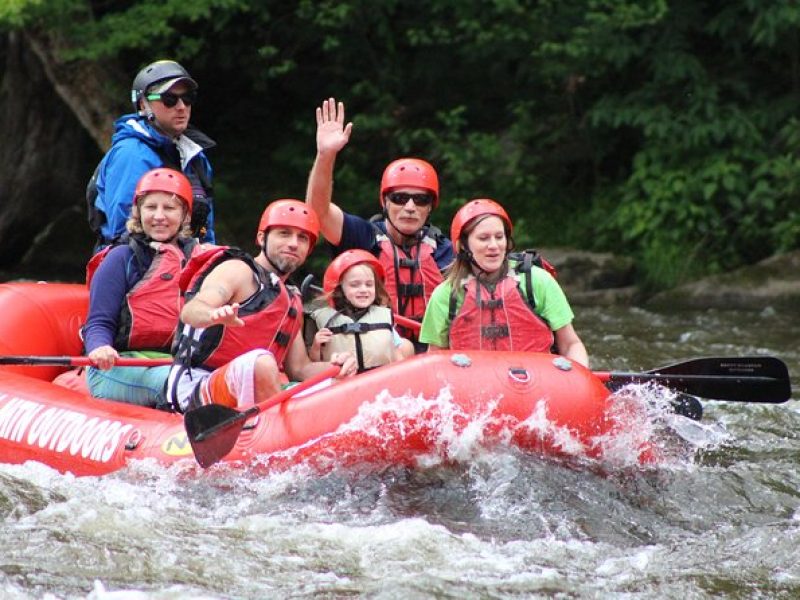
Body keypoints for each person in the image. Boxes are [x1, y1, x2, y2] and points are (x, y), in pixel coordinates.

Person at [165, 200, 357, 413]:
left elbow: (300, 368)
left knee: (335, 386)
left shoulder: (291, 299)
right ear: (261, 238)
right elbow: (191, 311)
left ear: (308, 250)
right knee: (262, 363)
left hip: (252, 386)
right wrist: (213, 314)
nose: (293, 243)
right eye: (284, 233)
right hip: (195, 386)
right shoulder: (239, 271)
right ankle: (277, 436)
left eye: (302, 238)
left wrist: (336, 368)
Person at [305, 98, 454, 348]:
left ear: (430, 207)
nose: (409, 207)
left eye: (420, 199)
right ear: (384, 202)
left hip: (429, 355)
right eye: (399, 198)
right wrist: (325, 155)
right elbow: (317, 213)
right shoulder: (363, 236)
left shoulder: (443, 250)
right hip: (373, 354)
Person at [83, 168, 205, 406]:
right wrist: (100, 348)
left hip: (176, 363)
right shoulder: (121, 258)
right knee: (181, 382)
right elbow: (98, 323)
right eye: (151, 208)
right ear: (138, 212)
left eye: (169, 208)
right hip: (118, 366)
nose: (159, 216)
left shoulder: (200, 260)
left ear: (185, 216)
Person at [419, 199, 589, 366]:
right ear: (463, 245)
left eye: (499, 237)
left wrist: (579, 379)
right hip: (473, 386)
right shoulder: (446, 295)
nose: (494, 245)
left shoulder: (537, 281)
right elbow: (435, 358)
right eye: (484, 238)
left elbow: (570, 344)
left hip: (534, 383)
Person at [88, 59, 216, 250]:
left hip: (188, 265)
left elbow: (206, 230)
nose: (181, 106)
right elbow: (126, 232)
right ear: (142, 105)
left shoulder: (195, 155)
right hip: (137, 268)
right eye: (169, 99)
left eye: (187, 98)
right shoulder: (131, 155)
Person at [309, 249, 415, 372]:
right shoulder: (327, 322)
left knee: (407, 345)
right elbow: (314, 363)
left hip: (379, 381)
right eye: (355, 285)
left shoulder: (382, 317)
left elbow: (396, 355)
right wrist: (316, 346)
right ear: (340, 289)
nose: (363, 289)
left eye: (369, 284)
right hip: (343, 383)